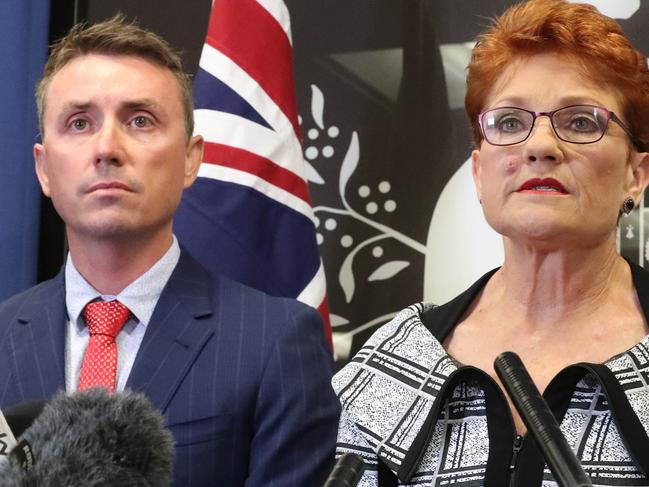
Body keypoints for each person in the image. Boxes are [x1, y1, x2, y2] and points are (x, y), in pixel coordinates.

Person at [0, 16, 340, 486]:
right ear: (43, 168)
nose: (106, 148)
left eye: (140, 120)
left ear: (190, 158)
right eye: (79, 123)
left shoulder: (275, 343)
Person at [333, 0, 649, 485]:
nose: (540, 145)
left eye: (581, 121)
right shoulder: (395, 360)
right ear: (479, 173)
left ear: (636, 174)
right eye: (510, 122)